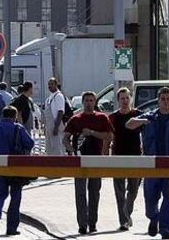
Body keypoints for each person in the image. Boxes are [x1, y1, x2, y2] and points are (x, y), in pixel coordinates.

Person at [126, 87, 169, 240]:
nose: (166, 102)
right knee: (150, 199)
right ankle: (153, 218)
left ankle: (165, 231)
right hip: (151, 165)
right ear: (158, 100)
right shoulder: (150, 117)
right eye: (163, 99)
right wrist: (141, 121)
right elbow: (129, 124)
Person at [63, 91, 113, 235]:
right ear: (83, 102)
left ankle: (92, 223)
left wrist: (91, 132)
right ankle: (82, 224)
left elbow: (110, 136)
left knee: (94, 192)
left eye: (91, 100)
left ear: (95, 102)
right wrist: (72, 150)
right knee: (80, 193)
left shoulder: (102, 118)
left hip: (96, 159)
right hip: (79, 161)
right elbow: (65, 138)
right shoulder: (75, 119)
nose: (89, 103)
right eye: (87, 100)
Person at [0, 106, 34, 236]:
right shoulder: (18, 128)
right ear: (15, 116)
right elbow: (30, 143)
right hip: (15, 168)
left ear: (2, 115)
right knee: (15, 197)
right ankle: (11, 228)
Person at [108, 87, 142, 231]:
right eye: (122, 98)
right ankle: (123, 220)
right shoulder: (113, 117)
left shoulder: (138, 115)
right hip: (118, 156)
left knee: (133, 190)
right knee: (119, 190)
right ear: (118, 100)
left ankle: (127, 212)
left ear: (131, 98)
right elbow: (108, 137)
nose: (125, 101)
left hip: (135, 156)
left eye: (127, 98)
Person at [43, 77, 66, 155]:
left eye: (52, 84)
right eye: (49, 84)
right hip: (49, 127)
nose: (50, 86)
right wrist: (45, 127)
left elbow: (60, 112)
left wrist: (56, 127)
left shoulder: (58, 96)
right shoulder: (49, 98)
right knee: (49, 148)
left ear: (56, 85)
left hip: (56, 125)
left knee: (57, 147)